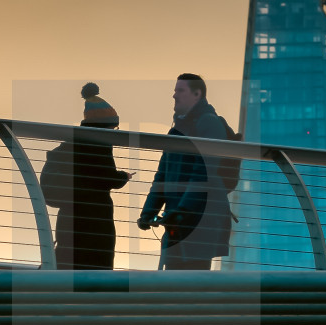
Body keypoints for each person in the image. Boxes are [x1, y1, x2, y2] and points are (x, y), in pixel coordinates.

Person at [137, 74, 232, 271]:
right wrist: (148, 212)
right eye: (175, 90)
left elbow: (204, 172)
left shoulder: (209, 124)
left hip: (200, 222)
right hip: (177, 222)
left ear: (197, 94)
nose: (174, 95)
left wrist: (182, 210)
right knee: (174, 285)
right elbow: (162, 175)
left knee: (192, 286)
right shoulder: (176, 131)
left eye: (180, 90)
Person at [50, 83, 131, 270]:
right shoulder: (99, 141)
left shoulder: (73, 141)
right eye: (114, 127)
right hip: (94, 218)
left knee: (68, 262)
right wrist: (124, 176)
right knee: (96, 269)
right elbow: (106, 176)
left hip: (70, 216)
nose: (114, 131)